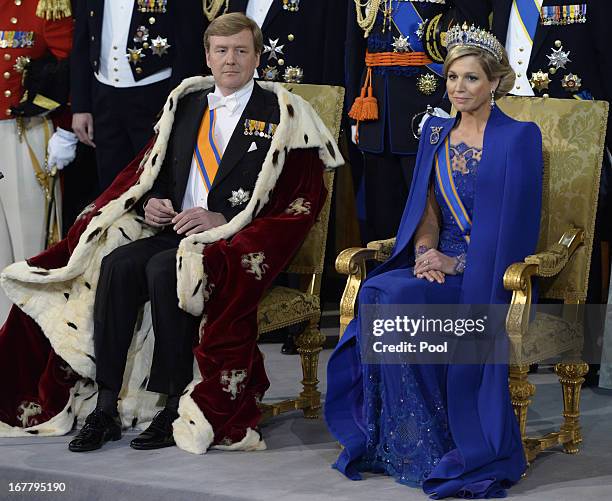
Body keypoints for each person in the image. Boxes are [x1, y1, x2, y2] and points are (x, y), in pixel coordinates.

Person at [0, 13, 342, 454]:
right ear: (207, 56)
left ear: (258, 56)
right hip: (175, 230)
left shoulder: (284, 114)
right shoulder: (186, 103)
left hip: (231, 242)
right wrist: (152, 203)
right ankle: (105, 405)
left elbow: (298, 202)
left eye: (241, 50)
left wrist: (223, 220)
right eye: (221, 51)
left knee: (167, 269)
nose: (231, 60)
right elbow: (151, 174)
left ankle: (170, 401)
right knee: (117, 263)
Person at [325, 25, 542, 498]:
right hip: (439, 264)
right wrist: (425, 253)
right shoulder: (435, 132)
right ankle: (407, 442)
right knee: (384, 291)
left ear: (494, 84)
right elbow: (425, 209)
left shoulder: (519, 137)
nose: (458, 89)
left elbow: (516, 228)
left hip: (488, 276)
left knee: (396, 296)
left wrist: (456, 263)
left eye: (471, 79)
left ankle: (447, 437)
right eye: (451, 79)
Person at [489, 0, 612, 386]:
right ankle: (526, 336)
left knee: (578, 235)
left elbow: (607, 58)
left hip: (574, 131)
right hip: (513, 125)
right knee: (520, 230)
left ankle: (582, 350)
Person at [345, 1, 490, 244]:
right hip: (376, 110)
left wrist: (450, 106)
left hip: (429, 105)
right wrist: (354, 106)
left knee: (432, 218)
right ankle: (383, 280)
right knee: (381, 220)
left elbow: (471, 36)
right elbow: (354, 45)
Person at [70, 0, 206, 193]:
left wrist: (177, 103)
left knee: (157, 184)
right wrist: (80, 105)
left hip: (155, 96)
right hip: (103, 97)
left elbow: (189, 44)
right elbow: (81, 40)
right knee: (110, 185)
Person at [0, 0, 73, 325]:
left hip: (23, 131)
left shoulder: (45, 6)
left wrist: (67, 127)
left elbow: (71, 65)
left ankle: (32, 336)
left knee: (30, 242)